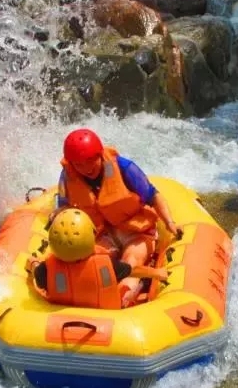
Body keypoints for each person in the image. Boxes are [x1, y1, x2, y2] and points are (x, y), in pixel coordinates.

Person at [50, 128, 182, 306]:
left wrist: (169, 223)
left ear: (99, 154)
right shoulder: (68, 175)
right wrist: (56, 215)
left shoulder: (124, 167)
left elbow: (153, 196)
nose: (86, 168)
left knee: (131, 262)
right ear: (71, 163)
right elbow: (65, 207)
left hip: (137, 231)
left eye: (91, 160)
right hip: (102, 234)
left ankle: (126, 294)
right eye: (79, 164)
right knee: (90, 264)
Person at [27, 208, 167, 309]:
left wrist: (32, 263)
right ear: (89, 237)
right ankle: (142, 286)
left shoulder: (44, 271)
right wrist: (157, 273)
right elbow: (133, 270)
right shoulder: (107, 266)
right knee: (128, 287)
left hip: (61, 311)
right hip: (107, 312)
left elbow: (36, 270)